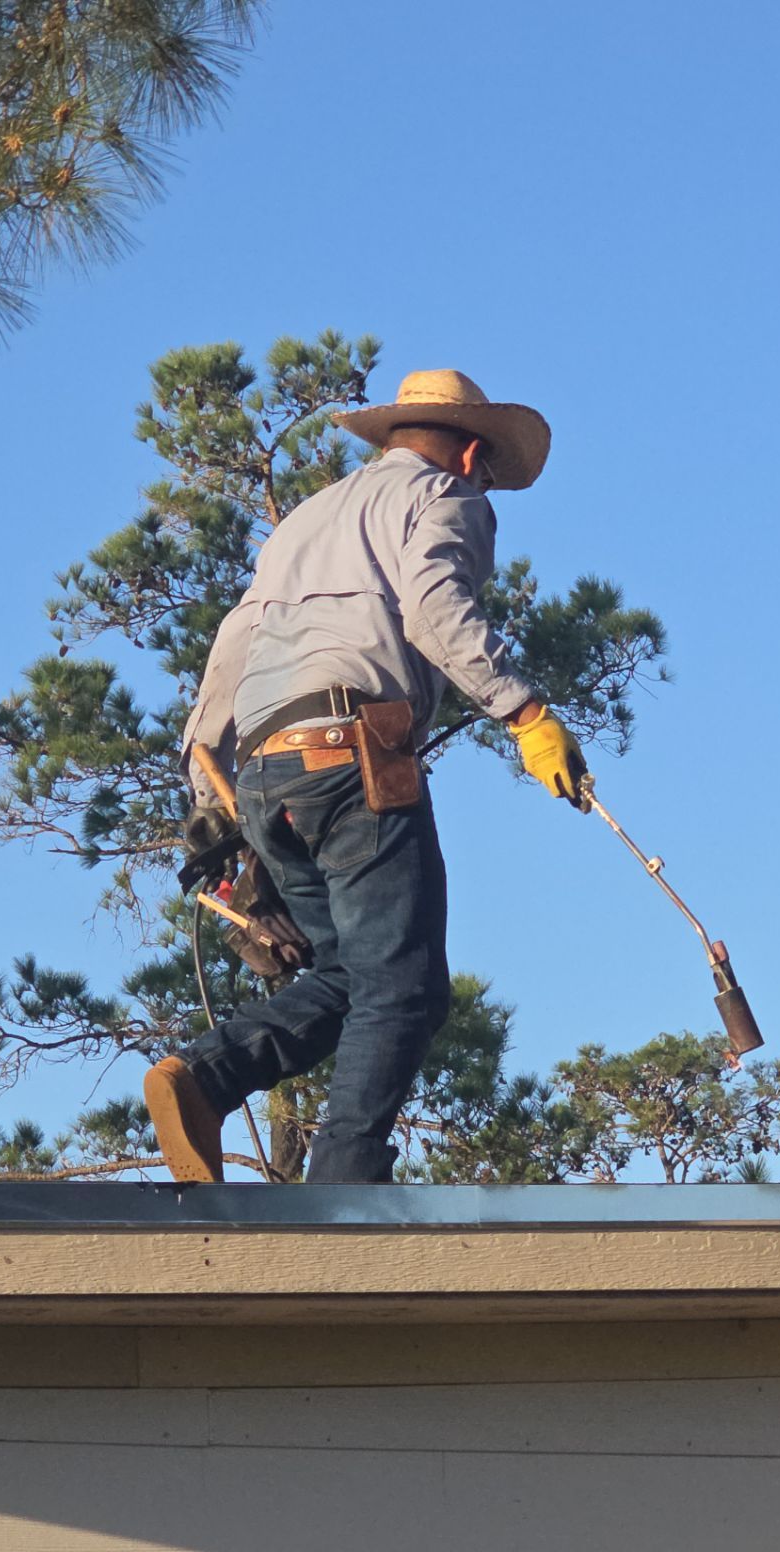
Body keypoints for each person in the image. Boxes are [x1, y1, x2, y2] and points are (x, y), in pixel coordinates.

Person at [144, 368, 587, 1183]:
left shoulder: (307, 520)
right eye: (487, 474)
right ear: (471, 455)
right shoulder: (447, 499)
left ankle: (204, 1078)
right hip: (355, 756)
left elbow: (232, 652)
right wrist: (524, 713)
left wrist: (212, 801)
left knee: (352, 973)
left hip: (266, 770)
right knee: (408, 988)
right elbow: (432, 607)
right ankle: (342, 1193)